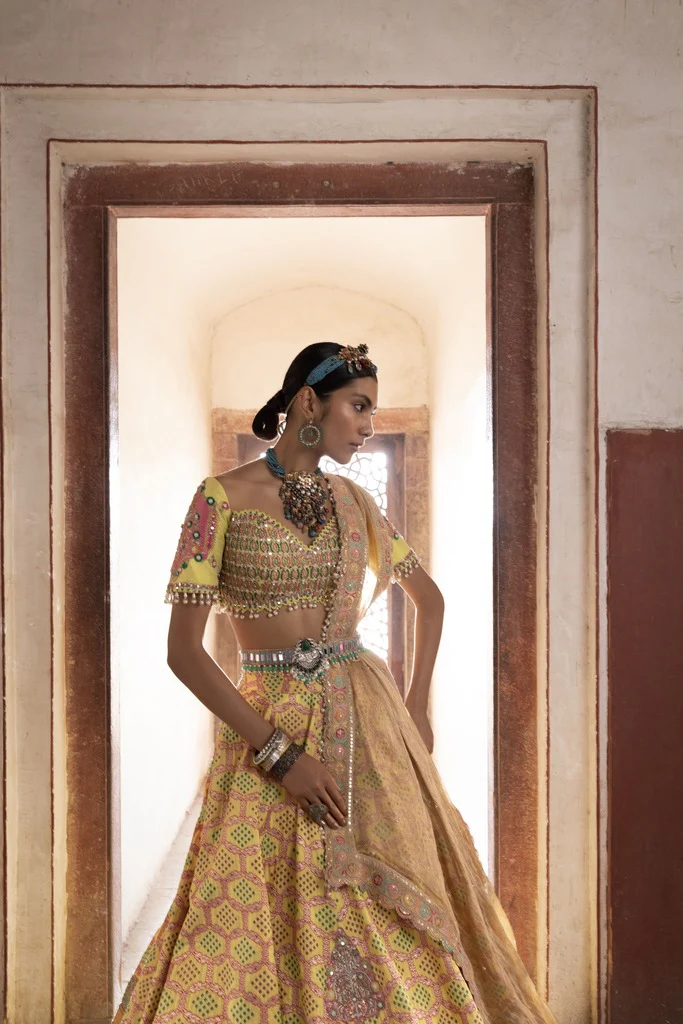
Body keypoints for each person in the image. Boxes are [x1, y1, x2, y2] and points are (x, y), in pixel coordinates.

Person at [113, 342, 557, 1024]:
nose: (368, 426)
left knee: (384, 901)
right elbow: (184, 653)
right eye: (358, 406)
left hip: (369, 723)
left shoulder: (356, 502)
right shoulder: (218, 501)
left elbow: (430, 601)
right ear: (307, 403)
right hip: (265, 729)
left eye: (373, 411)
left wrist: (415, 709)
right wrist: (278, 754)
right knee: (248, 908)